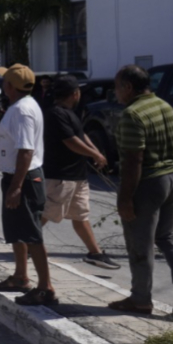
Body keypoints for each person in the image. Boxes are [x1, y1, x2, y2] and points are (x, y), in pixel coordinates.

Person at [110, 64, 173, 317]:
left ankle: (140, 299)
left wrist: (125, 198)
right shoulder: (165, 106)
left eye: (117, 87)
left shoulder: (132, 114)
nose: (115, 93)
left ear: (127, 87)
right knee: (169, 236)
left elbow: (133, 160)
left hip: (148, 183)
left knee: (140, 243)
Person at [0, 64, 56, 306]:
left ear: (9, 86)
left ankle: (45, 287)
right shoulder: (20, 106)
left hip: (24, 178)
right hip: (17, 177)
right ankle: (20, 276)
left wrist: (16, 187)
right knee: (17, 231)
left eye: (4, 80)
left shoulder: (23, 111)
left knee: (31, 234)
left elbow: (26, 151)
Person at [41, 76, 120, 270]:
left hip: (77, 175)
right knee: (46, 214)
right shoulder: (55, 114)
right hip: (60, 176)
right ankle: (25, 243)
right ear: (75, 94)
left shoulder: (70, 113)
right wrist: (95, 154)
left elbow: (81, 135)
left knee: (80, 216)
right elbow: (70, 141)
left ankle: (95, 253)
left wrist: (96, 152)